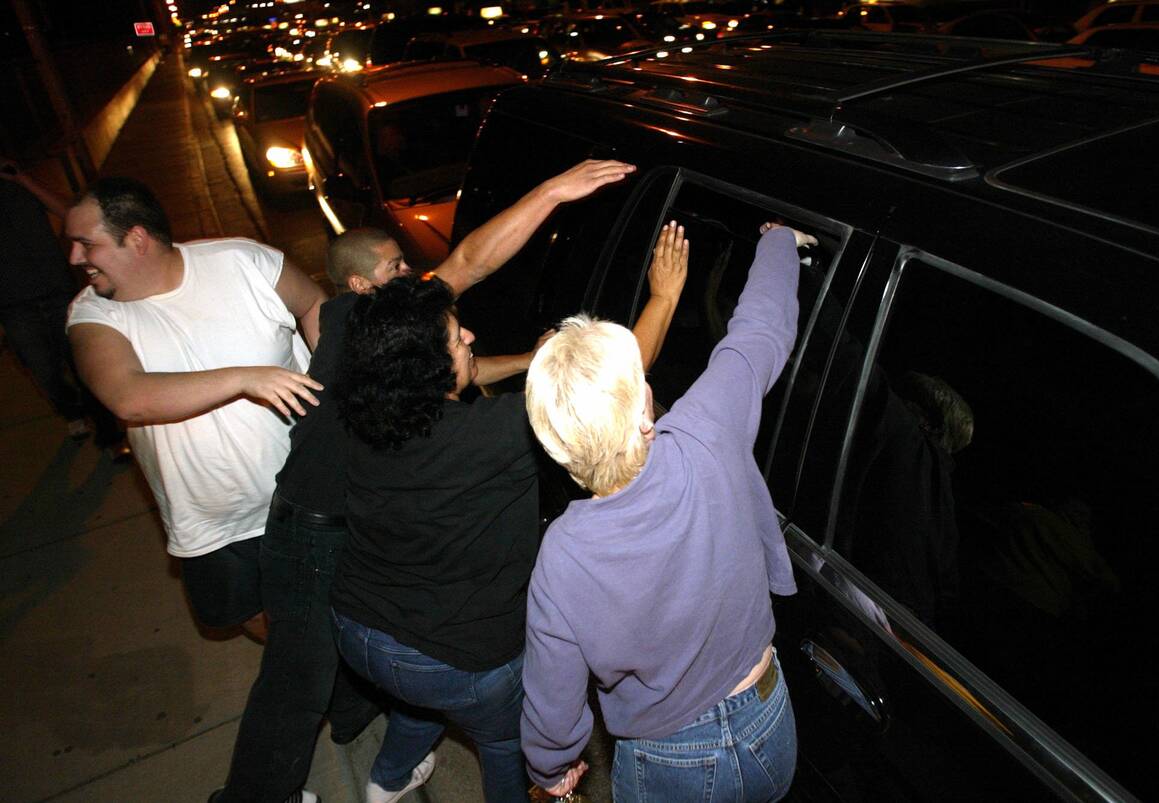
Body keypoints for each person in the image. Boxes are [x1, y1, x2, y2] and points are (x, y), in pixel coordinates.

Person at [217, 160, 638, 803]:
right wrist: (552, 190)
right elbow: (470, 262)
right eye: (397, 271)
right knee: (295, 684)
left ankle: (384, 774)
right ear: (360, 286)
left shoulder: (382, 352)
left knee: (408, 654)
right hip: (311, 529)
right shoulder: (370, 325)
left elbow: (452, 370)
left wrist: (537, 357)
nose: (416, 276)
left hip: (368, 583)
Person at [330, 218, 688, 803]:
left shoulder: (369, 413)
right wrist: (666, 296)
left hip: (361, 629)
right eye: (455, 338)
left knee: (423, 693)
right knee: (502, 742)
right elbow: (608, 386)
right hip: (460, 658)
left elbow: (472, 373)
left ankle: (386, 782)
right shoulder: (494, 438)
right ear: (428, 370)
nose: (469, 336)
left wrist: (534, 360)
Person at [521, 222, 817, 802]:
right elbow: (758, 330)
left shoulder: (563, 557)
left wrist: (551, 769)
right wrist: (780, 241)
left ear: (556, 450)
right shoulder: (706, 430)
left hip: (671, 761)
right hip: (770, 722)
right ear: (646, 408)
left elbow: (552, 700)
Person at [65, 176, 325, 644]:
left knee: (348, 592)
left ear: (136, 238)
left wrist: (335, 382)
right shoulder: (92, 316)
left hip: (311, 486)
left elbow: (314, 306)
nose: (75, 258)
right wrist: (244, 377)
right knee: (251, 613)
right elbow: (128, 396)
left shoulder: (243, 261)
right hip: (215, 517)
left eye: (87, 244)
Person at [0, 157, 125, 454]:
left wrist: (23, 179)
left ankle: (109, 433)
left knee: (85, 365)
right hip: (14, 306)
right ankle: (71, 410)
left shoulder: (20, 185)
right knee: (46, 374)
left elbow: (71, 215)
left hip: (59, 294)